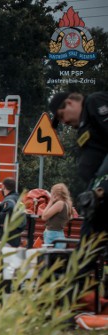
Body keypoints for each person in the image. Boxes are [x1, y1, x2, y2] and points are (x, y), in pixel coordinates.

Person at [50, 91, 108, 239]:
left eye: (61, 116)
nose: (63, 122)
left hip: (102, 190)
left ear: (69, 103)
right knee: (87, 241)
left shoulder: (94, 102)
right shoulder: (84, 126)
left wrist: (101, 189)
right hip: (97, 194)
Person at [0, 177, 25, 247]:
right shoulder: (18, 199)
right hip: (16, 236)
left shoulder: (9, 200)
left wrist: (2, 221)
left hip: (6, 236)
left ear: (3, 186)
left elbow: (9, 208)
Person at [42, 182, 73, 249]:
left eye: (52, 193)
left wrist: (50, 202)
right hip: (60, 234)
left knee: (48, 258)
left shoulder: (60, 203)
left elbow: (44, 217)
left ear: (56, 194)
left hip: (52, 235)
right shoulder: (67, 204)